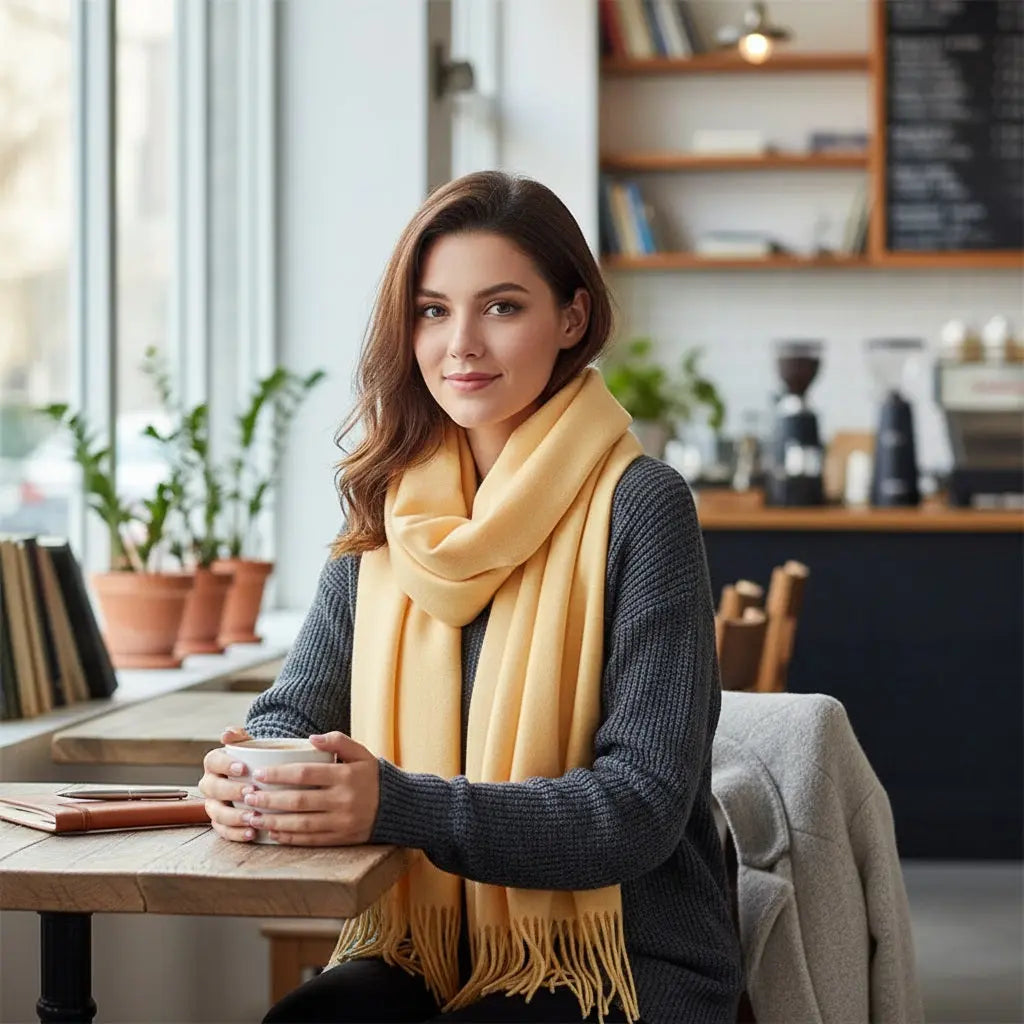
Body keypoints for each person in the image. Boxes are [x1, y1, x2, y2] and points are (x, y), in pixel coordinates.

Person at [198, 171, 743, 1024]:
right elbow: (290, 711)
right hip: (423, 947)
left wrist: (394, 801)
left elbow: (639, 809)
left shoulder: (642, 505)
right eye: (432, 310)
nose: (461, 345)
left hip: (623, 961)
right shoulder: (390, 508)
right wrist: (253, 774)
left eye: (501, 307)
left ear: (571, 317)